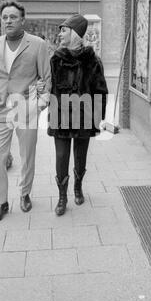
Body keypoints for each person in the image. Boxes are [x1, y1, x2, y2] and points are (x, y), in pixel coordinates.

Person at [0, 0, 51, 223]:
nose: (8, 21)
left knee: (27, 155)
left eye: (13, 17)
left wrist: (39, 105)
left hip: (26, 107)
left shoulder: (38, 44)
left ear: (22, 20)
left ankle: (25, 193)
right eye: (4, 17)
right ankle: (1, 202)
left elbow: (46, 78)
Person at [47, 14, 108, 216]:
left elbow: (100, 90)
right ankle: (62, 197)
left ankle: (78, 187)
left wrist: (97, 119)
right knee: (61, 156)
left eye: (64, 30)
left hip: (85, 116)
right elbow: (51, 88)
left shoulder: (92, 61)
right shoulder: (56, 59)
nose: (60, 34)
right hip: (61, 115)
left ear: (75, 34)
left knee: (80, 156)